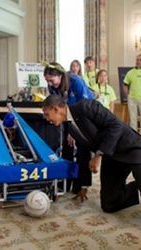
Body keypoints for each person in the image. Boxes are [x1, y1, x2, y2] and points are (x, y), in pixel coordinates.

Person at [42, 95, 141, 213]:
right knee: (109, 204)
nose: (46, 118)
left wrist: (99, 155)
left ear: (56, 109)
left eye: (47, 114)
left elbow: (115, 125)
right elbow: (83, 153)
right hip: (112, 157)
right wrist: (84, 185)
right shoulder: (69, 126)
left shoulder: (86, 107)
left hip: (130, 147)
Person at [43, 62, 94, 199]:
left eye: (51, 80)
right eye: (47, 80)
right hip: (67, 117)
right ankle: (64, 183)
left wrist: (74, 131)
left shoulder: (76, 81)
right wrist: (69, 130)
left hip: (85, 116)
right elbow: (58, 107)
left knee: (83, 150)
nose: (49, 83)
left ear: (59, 76)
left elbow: (84, 106)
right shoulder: (52, 86)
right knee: (66, 148)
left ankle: (82, 186)